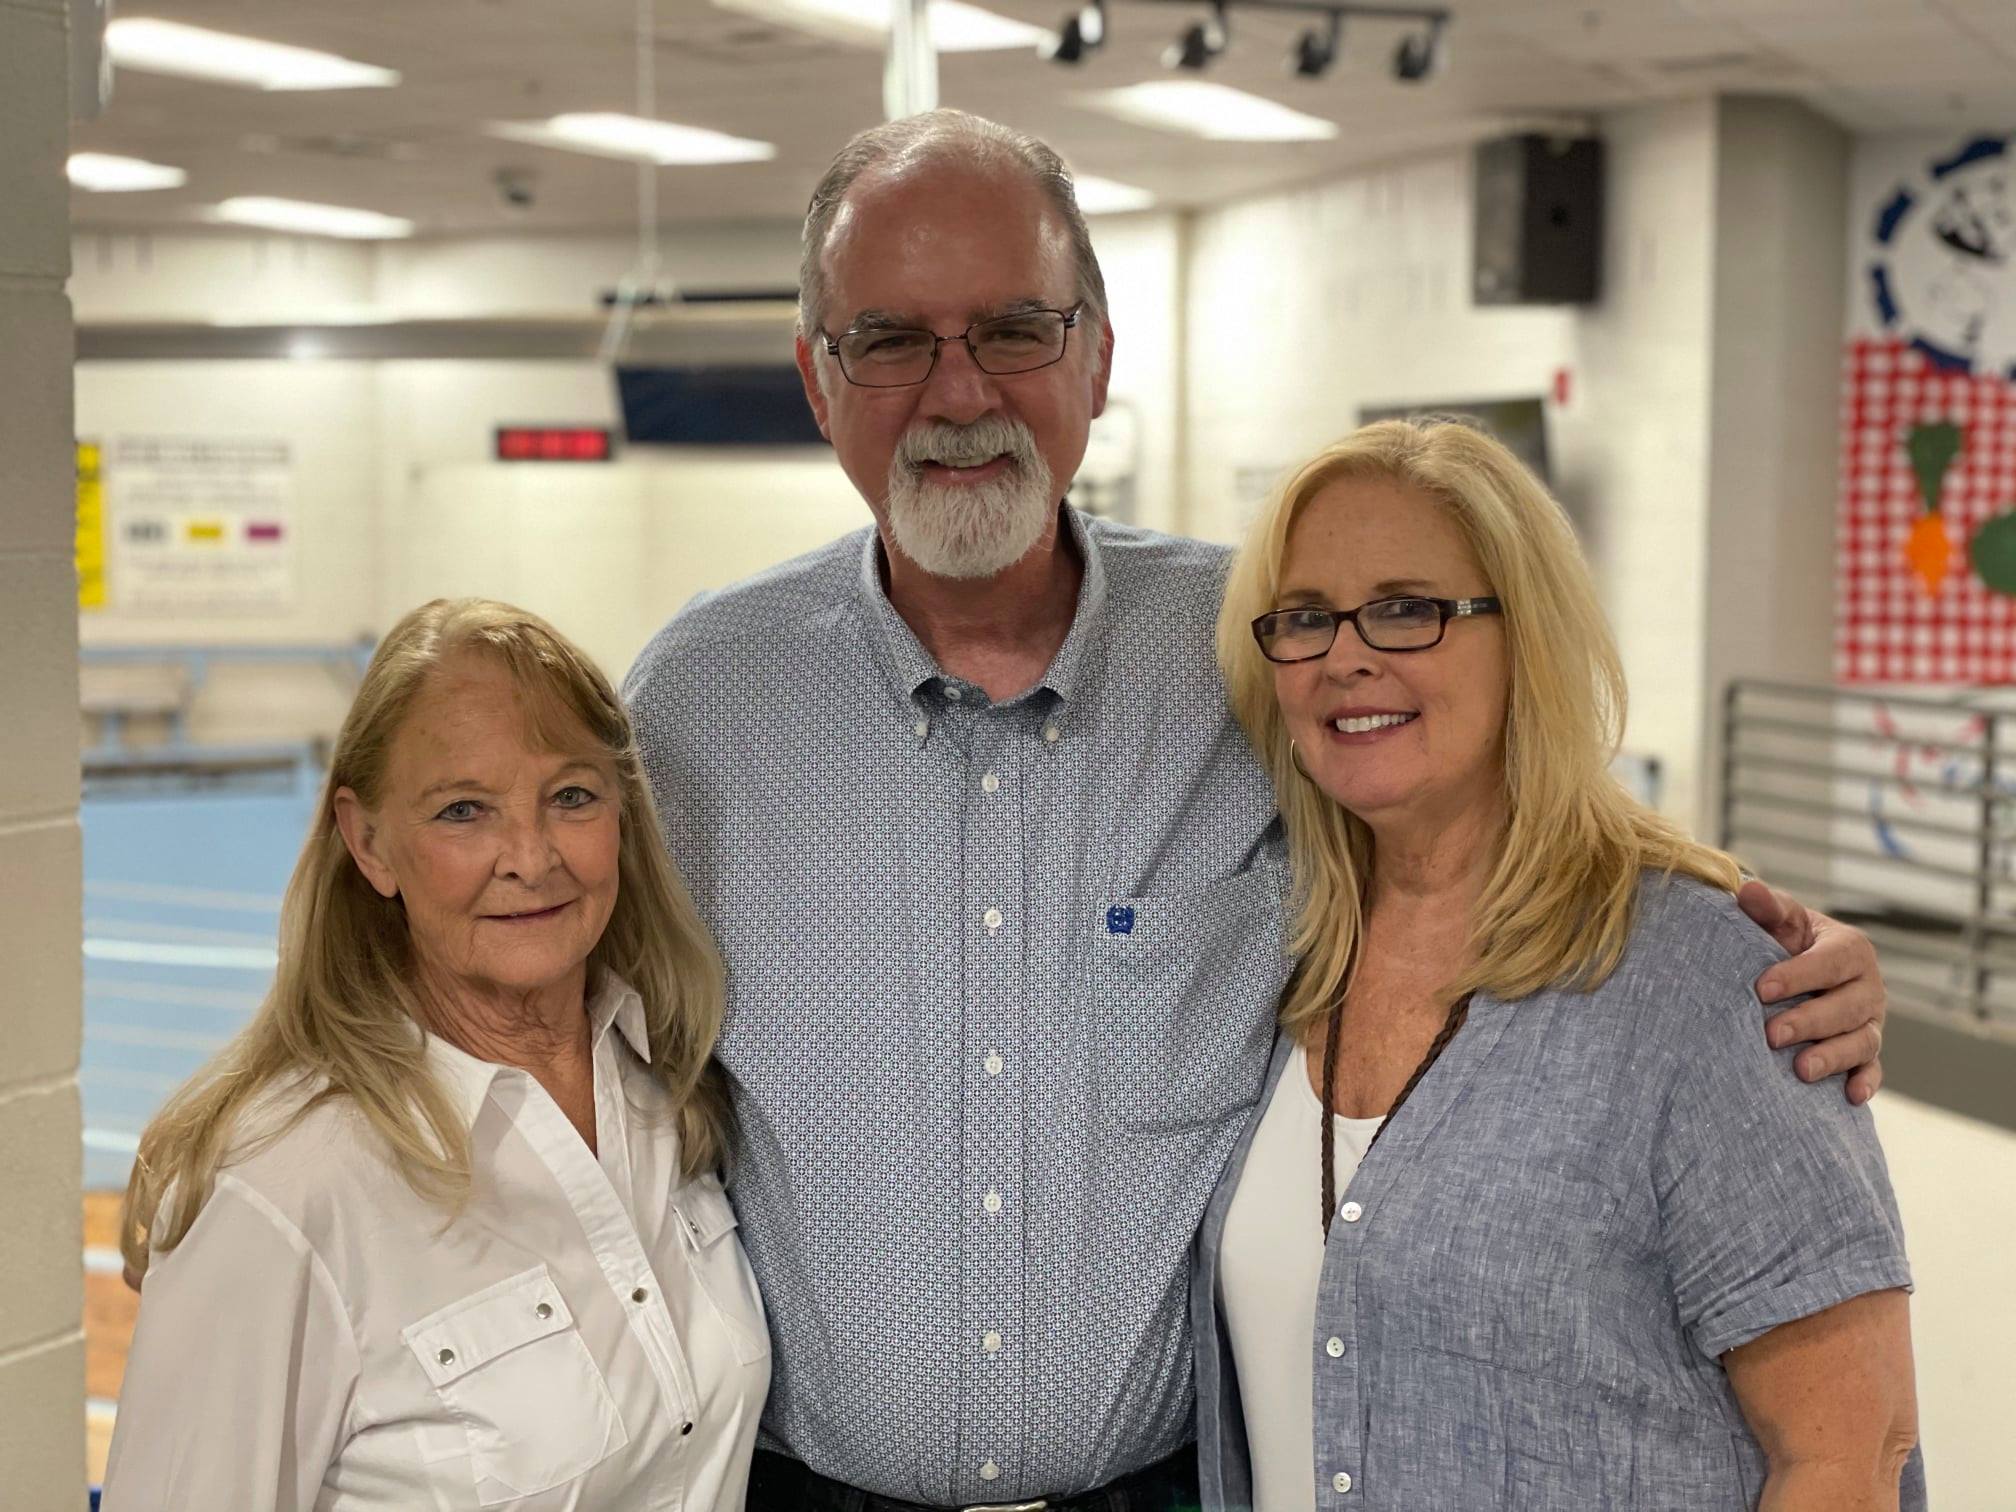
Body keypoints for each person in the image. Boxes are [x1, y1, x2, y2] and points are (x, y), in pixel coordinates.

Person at [621, 109, 1892, 1512]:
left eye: (1015, 329)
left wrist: (1755, 945)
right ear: (817, 376)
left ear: (1098, 358)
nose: (959, 390)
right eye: (892, 340)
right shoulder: (700, 705)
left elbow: (1489, 803)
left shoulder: (1246, 651)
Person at [1194, 418, 1922, 1510]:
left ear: (1524, 635)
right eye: (1305, 618)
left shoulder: (1702, 988)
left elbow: (1853, 1454)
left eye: (1408, 608)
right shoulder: (1274, 958)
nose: (1347, 655)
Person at [101, 599, 768, 1512]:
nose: (530, 857)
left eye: (571, 796)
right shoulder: (283, 1190)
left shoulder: (664, 1090)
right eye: (464, 811)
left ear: (623, 811)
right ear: (369, 842)